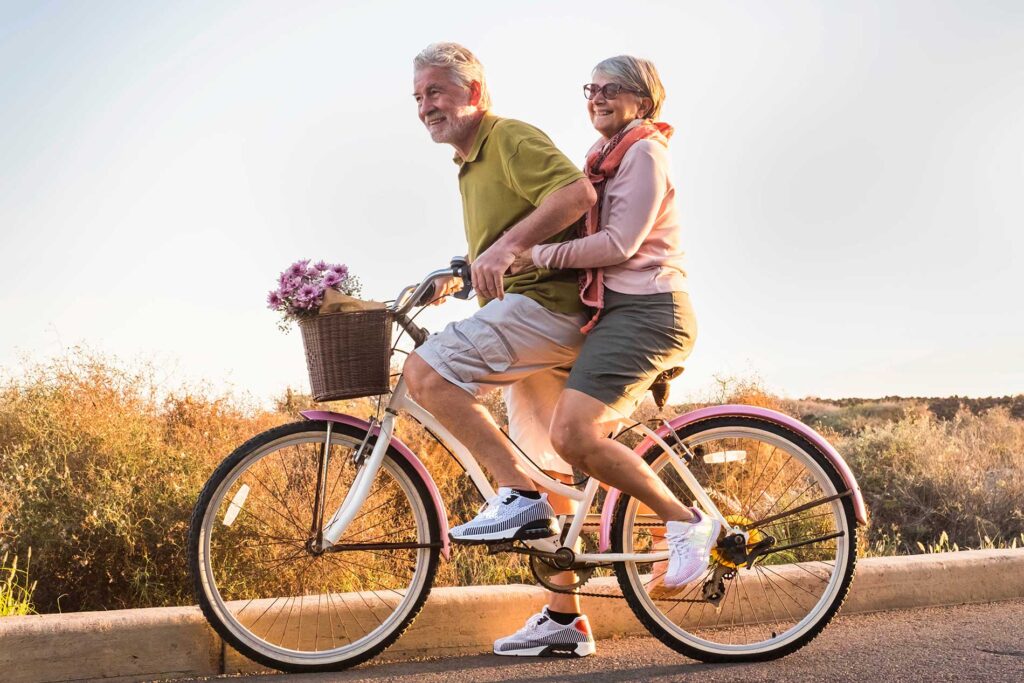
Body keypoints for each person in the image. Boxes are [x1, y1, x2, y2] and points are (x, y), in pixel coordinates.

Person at [459, 55, 721, 657]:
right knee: (549, 451)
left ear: (643, 100)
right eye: (591, 89)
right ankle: (562, 619)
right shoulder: (604, 158)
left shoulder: (645, 152)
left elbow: (619, 243)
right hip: (613, 315)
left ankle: (685, 521)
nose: (597, 97)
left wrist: (531, 257)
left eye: (612, 89)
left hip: (651, 313)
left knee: (573, 436)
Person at [403, 42, 599, 655]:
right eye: (417, 97)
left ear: (474, 93)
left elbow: (576, 196)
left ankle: (514, 493)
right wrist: (462, 271)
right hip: (526, 316)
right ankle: (565, 620)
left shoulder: (508, 137)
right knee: (552, 478)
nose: (425, 106)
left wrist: (507, 248)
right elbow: (499, 245)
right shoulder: (468, 163)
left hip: (548, 309)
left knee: (425, 372)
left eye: (435, 92)